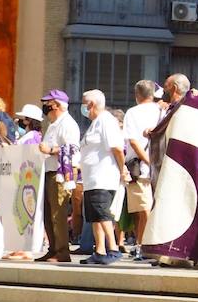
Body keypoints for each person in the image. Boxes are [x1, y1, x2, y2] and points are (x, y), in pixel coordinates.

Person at [77, 89, 130, 265]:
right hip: (91, 179)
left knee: (102, 214)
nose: (83, 106)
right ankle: (99, 250)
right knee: (94, 216)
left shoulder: (106, 121)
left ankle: (113, 248)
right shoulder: (95, 123)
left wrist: (123, 169)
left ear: (91, 104)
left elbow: (116, 148)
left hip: (103, 177)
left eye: (84, 103)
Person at [36, 90, 80, 263]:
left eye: (49, 105)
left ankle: (62, 251)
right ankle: (53, 248)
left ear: (58, 106)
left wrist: (51, 150)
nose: (46, 108)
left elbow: (72, 149)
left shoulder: (68, 124)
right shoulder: (54, 124)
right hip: (49, 172)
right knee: (48, 213)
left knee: (58, 214)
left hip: (61, 173)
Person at [122, 80, 162, 263]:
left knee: (143, 210)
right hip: (158, 167)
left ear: (137, 95)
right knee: (147, 209)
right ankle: (144, 245)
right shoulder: (161, 111)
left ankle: (144, 246)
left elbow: (133, 142)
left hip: (140, 168)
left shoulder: (132, 112)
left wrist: (147, 161)